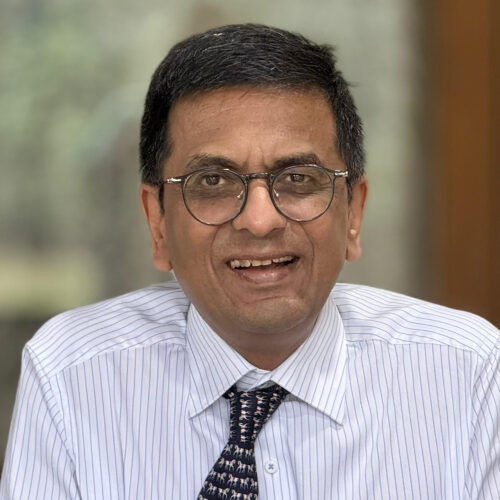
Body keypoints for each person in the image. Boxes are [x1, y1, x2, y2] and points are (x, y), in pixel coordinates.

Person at [1, 23, 499, 500]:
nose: (260, 221)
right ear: (158, 223)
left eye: (298, 178)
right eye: (213, 182)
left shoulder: (470, 376)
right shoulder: (71, 376)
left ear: (354, 212)